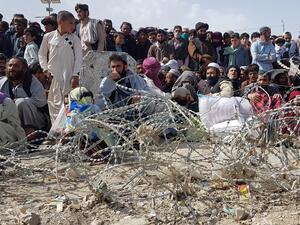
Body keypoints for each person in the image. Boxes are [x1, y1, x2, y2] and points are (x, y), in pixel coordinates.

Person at [39, 10, 82, 123]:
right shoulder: (48, 37)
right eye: (71, 23)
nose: (73, 26)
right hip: (53, 77)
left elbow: (79, 58)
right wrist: (45, 69)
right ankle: (56, 132)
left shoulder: (75, 39)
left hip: (68, 77)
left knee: (69, 104)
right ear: (61, 22)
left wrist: (75, 75)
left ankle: (67, 132)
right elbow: (42, 55)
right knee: (53, 104)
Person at [0, 57, 49, 135]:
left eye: (16, 66)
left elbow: (41, 102)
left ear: (24, 69)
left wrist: (16, 101)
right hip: (13, 119)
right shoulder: (2, 82)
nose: (12, 68)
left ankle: (29, 129)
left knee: (21, 102)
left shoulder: (32, 82)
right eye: (10, 65)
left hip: (37, 119)